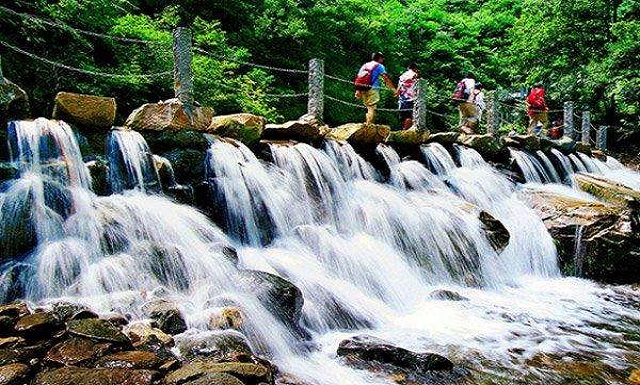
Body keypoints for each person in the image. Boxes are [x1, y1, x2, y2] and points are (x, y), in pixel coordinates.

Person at [354, 52, 399, 124]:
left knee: (368, 107)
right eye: (382, 58)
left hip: (363, 88)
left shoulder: (365, 65)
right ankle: (369, 126)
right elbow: (386, 79)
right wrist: (394, 90)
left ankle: (367, 124)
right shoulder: (379, 66)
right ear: (380, 59)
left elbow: (359, 77)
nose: (383, 60)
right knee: (372, 108)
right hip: (373, 88)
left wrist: (358, 90)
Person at [397, 63, 419, 129]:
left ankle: (404, 131)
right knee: (410, 117)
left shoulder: (402, 76)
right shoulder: (415, 75)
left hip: (402, 99)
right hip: (411, 99)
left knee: (403, 117)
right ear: (415, 68)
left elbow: (399, 88)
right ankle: (406, 133)